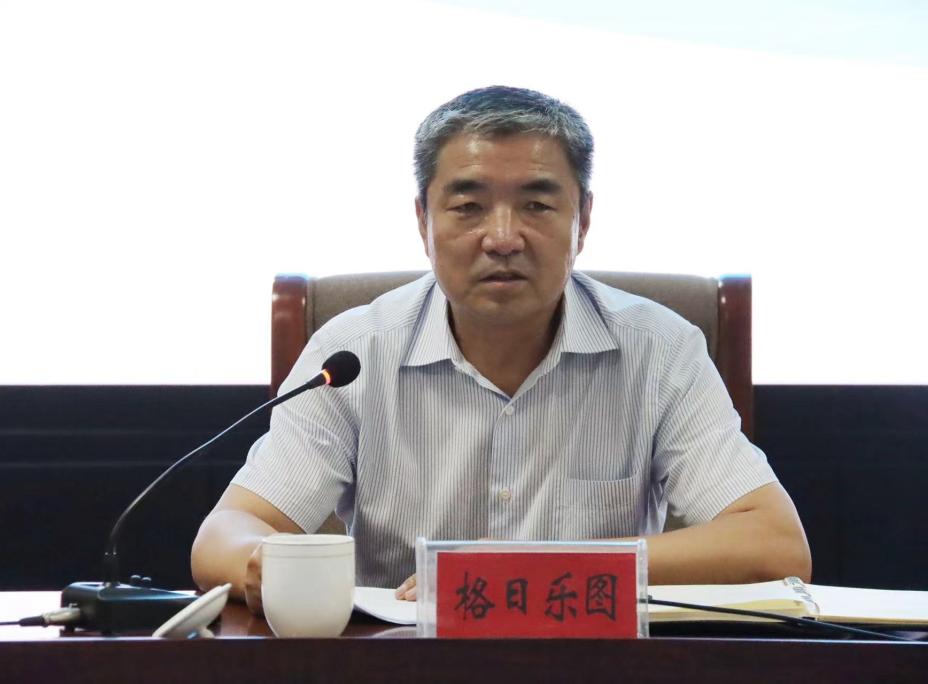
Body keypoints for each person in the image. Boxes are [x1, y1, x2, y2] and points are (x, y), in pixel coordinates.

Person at [191, 86, 811, 613]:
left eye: (537, 205)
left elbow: (775, 545)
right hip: (404, 663)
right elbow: (223, 537)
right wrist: (267, 563)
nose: (503, 237)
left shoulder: (660, 351)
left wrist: (537, 569)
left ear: (583, 221)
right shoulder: (354, 353)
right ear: (423, 221)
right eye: (469, 207)